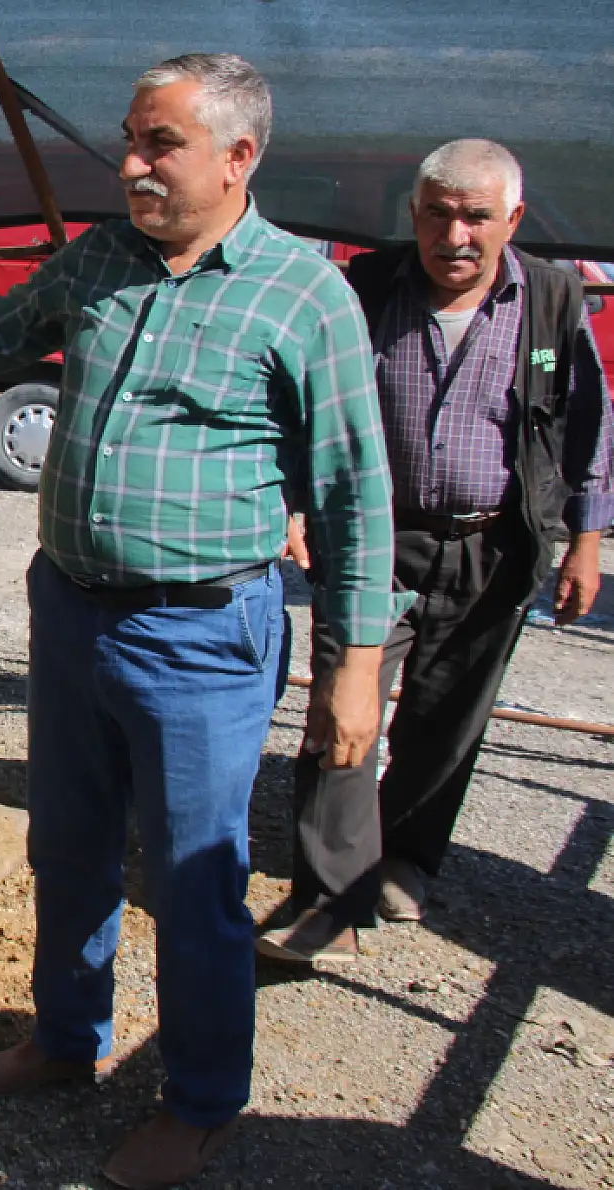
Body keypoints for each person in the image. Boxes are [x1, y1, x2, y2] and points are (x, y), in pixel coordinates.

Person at [0, 53, 402, 1190]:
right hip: (72, 609)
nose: (130, 165)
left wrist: (353, 672)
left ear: (239, 158)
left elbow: (352, 491)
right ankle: (62, 1035)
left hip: (199, 634)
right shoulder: (96, 260)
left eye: (159, 146)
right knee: (67, 844)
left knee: (193, 874)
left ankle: (197, 1099)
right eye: (130, 140)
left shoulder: (303, 295)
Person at [257, 138, 613, 965]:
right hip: (373, 538)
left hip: (494, 545)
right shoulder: (365, 289)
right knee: (342, 713)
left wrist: (584, 544)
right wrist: (298, 500)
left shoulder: (553, 303)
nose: (457, 235)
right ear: (413, 214)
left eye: (477, 217)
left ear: (512, 220)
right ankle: (326, 901)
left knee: (446, 721)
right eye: (440, 214)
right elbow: (304, 403)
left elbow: (588, 430)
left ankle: (407, 859)